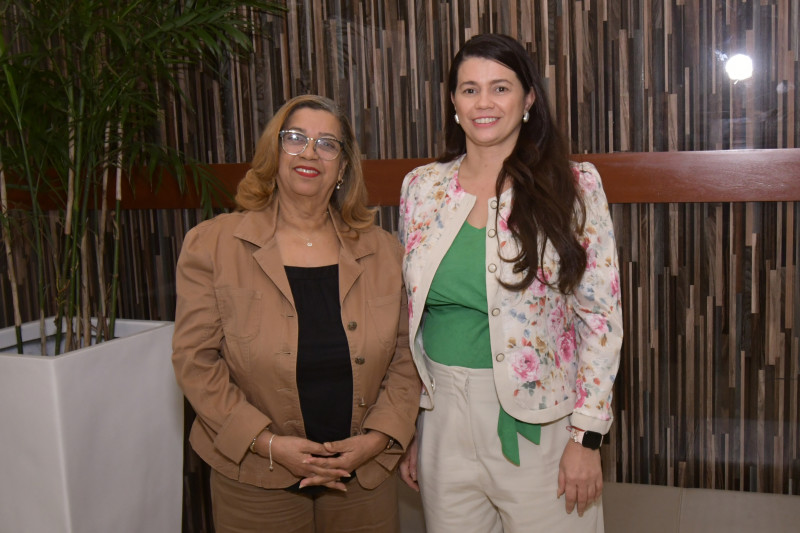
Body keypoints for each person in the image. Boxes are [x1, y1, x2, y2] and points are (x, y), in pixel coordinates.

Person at [398, 34, 623, 533]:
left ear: (529, 99)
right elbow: (409, 316)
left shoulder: (575, 185)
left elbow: (600, 317)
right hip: (442, 422)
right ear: (453, 102)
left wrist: (586, 438)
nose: (484, 103)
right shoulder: (421, 187)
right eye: (469, 89)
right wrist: (413, 427)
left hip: (541, 425)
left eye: (500, 88)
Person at [172, 94, 420, 533]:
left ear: (343, 167)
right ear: (274, 152)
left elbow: (407, 355)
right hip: (254, 475)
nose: (310, 152)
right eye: (295, 138)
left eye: (327, 144)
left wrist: (378, 440)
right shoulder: (212, 245)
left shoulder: (384, 251)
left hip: (363, 477)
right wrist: (266, 444)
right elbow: (196, 361)